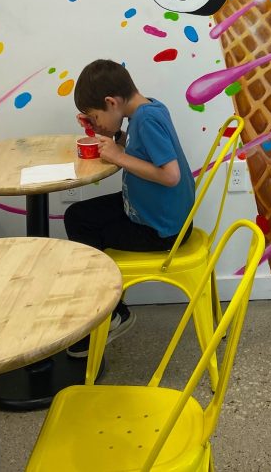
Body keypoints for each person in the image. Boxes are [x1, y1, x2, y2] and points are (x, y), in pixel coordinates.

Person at [64, 58, 195, 357]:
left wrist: (118, 157)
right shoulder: (149, 108)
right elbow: (141, 148)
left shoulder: (146, 119)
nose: (96, 124)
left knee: (84, 227)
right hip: (152, 212)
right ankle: (109, 307)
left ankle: (110, 313)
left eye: (96, 116)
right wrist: (115, 138)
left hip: (162, 230)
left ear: (111, 101)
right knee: (78, 216)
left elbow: (170, 175)